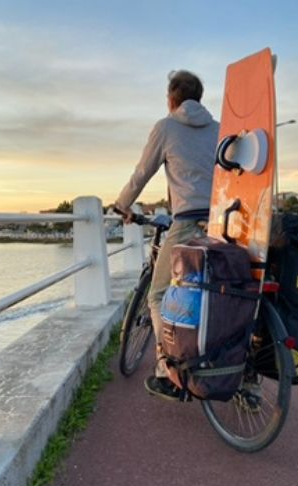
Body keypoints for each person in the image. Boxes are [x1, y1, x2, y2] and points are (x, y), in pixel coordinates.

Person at [115, 70, 219, 400]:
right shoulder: (220, 129)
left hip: (187, 223)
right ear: (199, 98)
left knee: (158, 296)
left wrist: (122, 205)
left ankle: (166, 371)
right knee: (215, 293)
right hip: (220, 224)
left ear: (172, 98)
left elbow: (141, 173)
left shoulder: (166, 126)